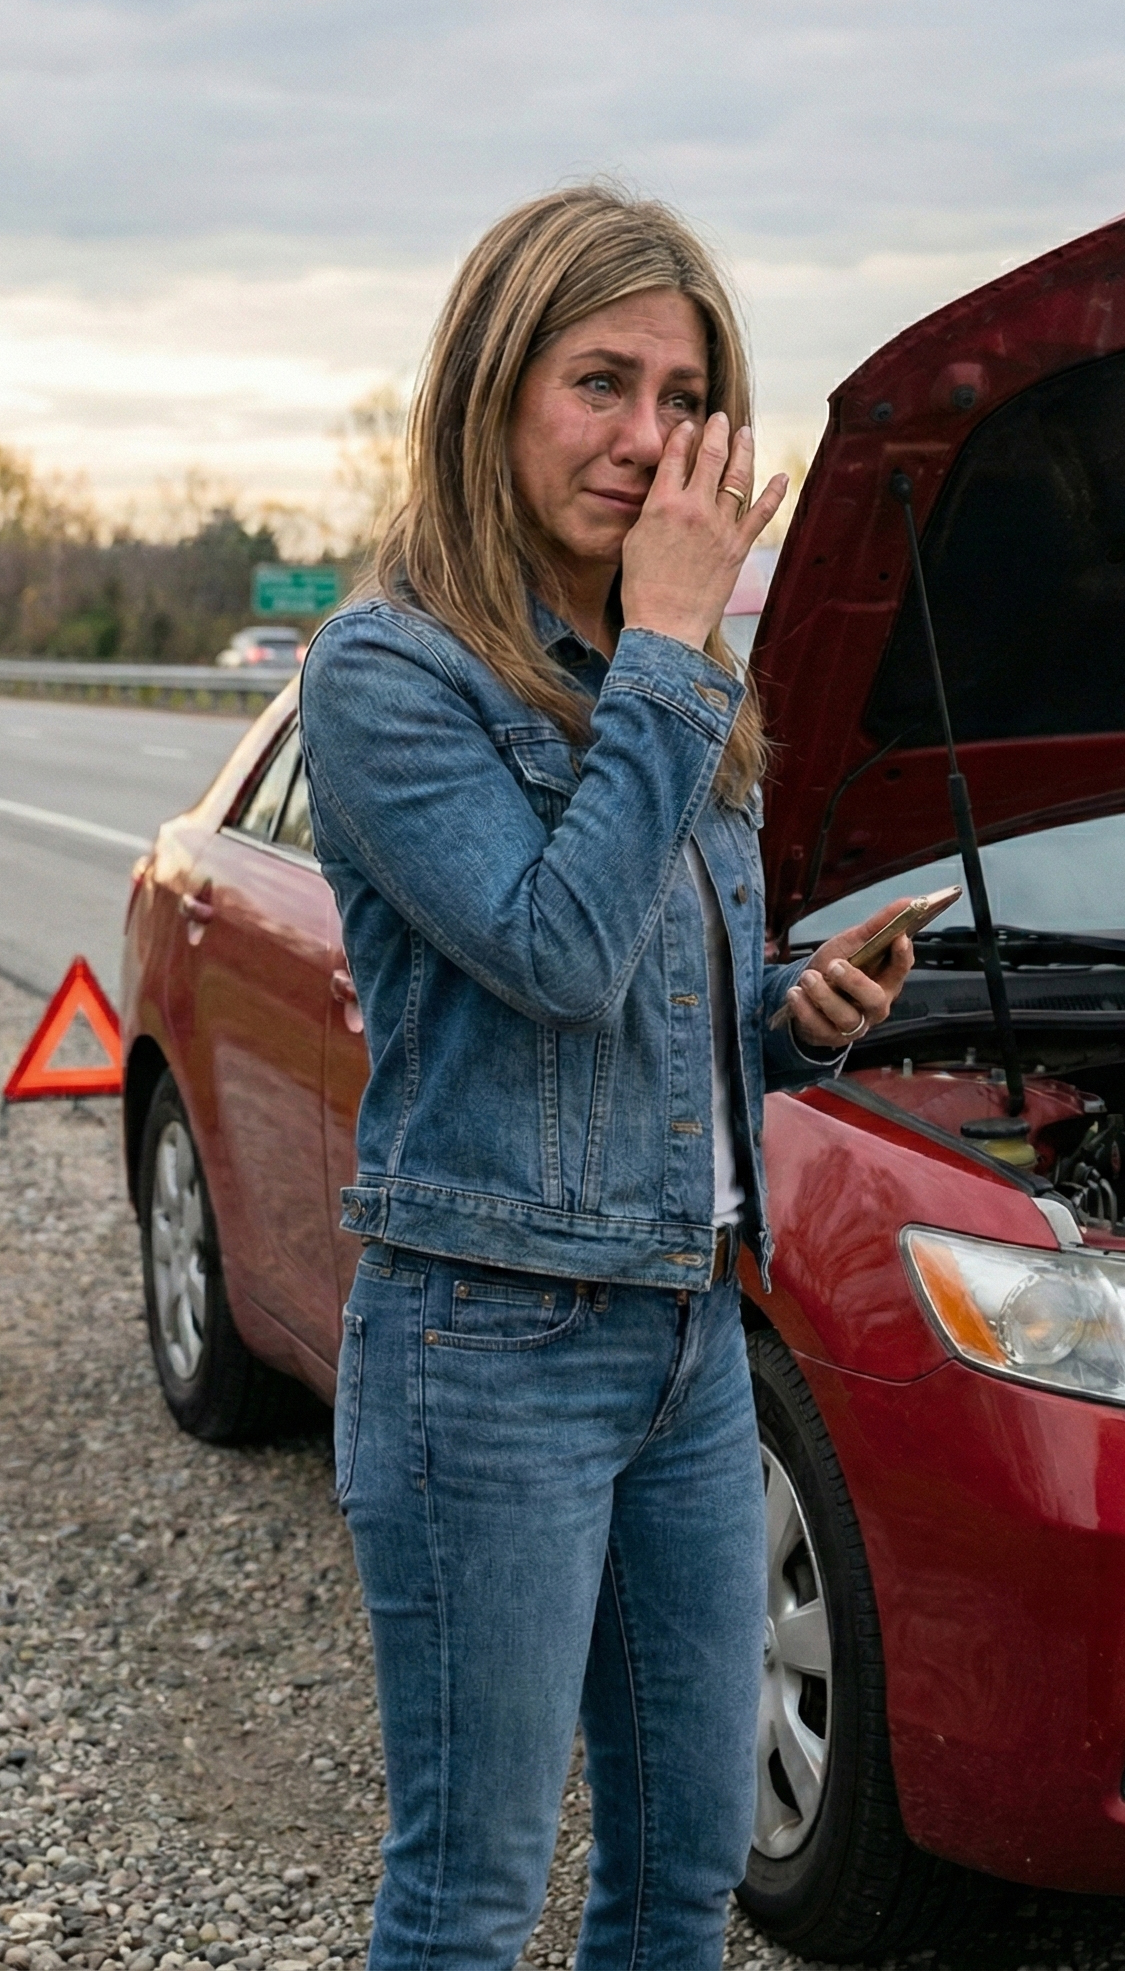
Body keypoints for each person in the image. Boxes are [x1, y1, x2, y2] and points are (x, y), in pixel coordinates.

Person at [297, 185, 915, 1971]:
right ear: (494, 391)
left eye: (684, 398)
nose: (649, 441)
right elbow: (553, 954)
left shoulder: (668, 682)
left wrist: (790, 1014)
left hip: (690, 1340)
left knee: (683, 1870)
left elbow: (647, 1013)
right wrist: (667, 650)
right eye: (601, 383)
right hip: (485, 1355)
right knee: (471, 1892)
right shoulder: (392, 674)